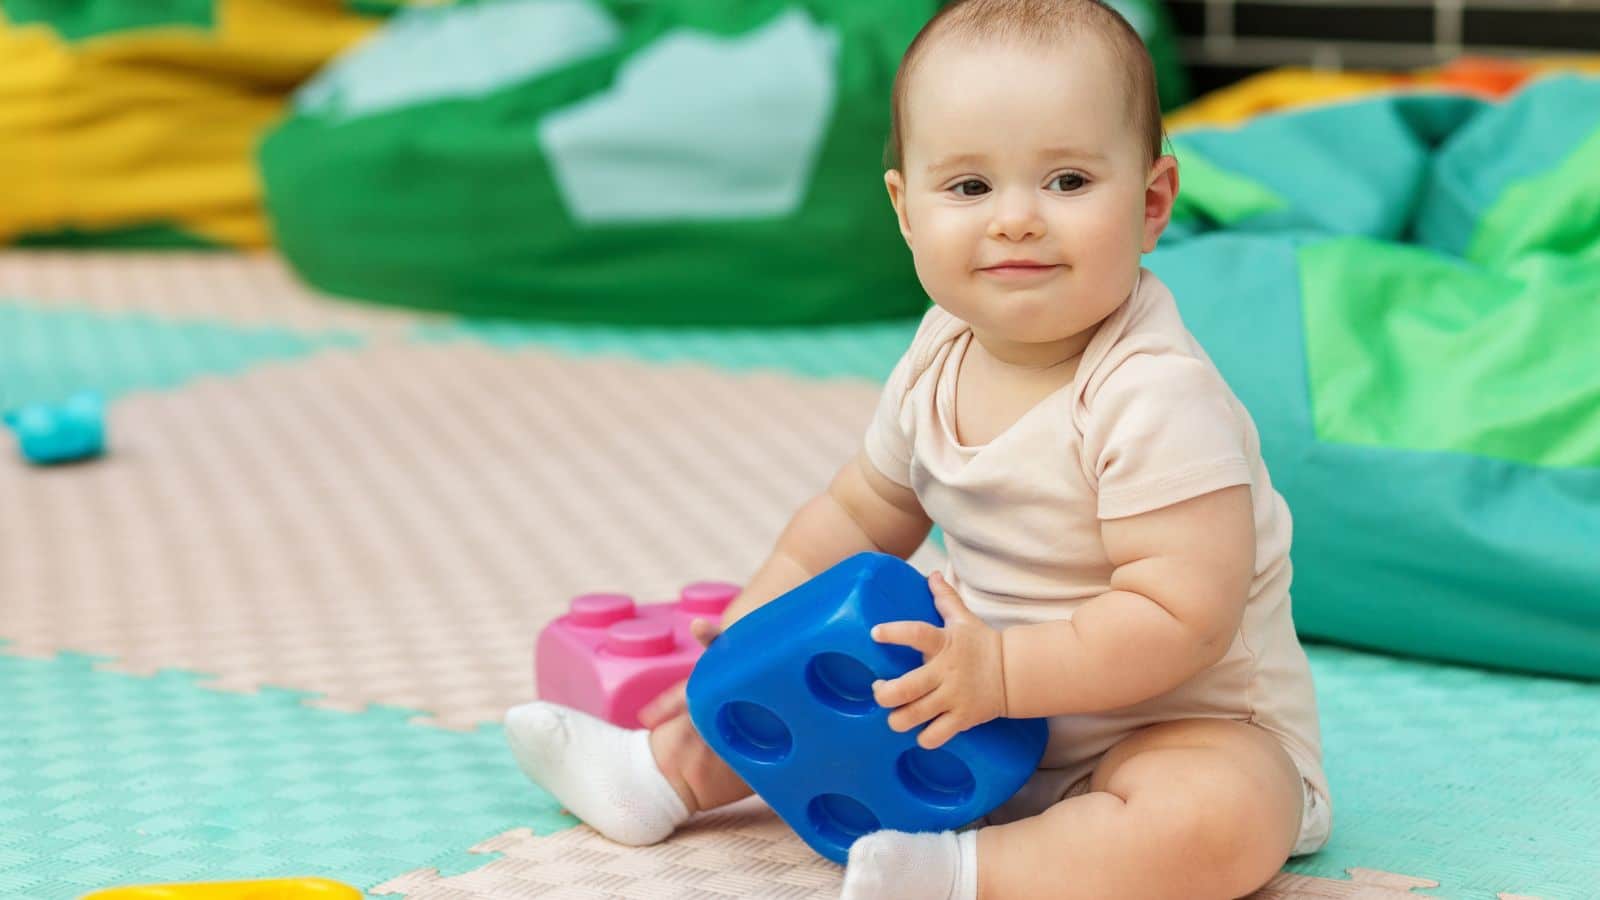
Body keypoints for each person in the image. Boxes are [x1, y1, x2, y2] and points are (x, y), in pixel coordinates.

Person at [504, 1, 1331, 896]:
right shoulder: (939, 353)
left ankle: (970, 871)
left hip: (1160, 731)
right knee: (810, 667)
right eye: (970, 188)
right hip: (964, 708)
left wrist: (1004, 673)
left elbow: (1182, 619)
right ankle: (656, 774)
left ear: (1152, 201)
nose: (1016, 219)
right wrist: (745, 635)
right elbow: (857, 514)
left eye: (1066, 181)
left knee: (1222, 814)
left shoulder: (1155, 394)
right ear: (906, 210)